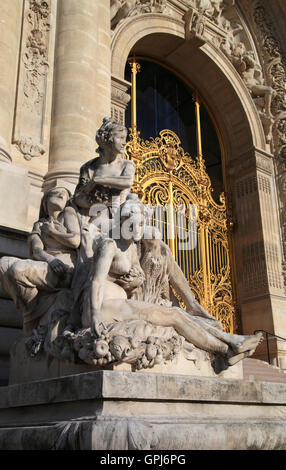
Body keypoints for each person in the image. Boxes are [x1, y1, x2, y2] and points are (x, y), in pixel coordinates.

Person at [81, 193, 262, 365]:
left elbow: (137, 277)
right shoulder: (110, 245)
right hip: (104, 306)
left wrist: (135, 281)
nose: (138, 229)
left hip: (120, 304)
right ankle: (228, 347)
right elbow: (96, 280)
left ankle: (229, 345)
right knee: (175, 315)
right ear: (122, 221)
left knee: (179, 313)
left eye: (141, 224)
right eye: (132, 225)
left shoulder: (132, 248)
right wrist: (95, 315)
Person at [0, 187, 80, 333]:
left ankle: (30, 316)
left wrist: (52, 232)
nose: (61, 194)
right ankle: (31, 309)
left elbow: (75, 240)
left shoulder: (68, 214)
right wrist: (50, 260)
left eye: (64, 194)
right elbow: (37, 251)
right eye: (56, 192)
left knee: (18, 270)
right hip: (48, 264)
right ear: (45, 201)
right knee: (3, 264)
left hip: (66, 268)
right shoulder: (39, 224)